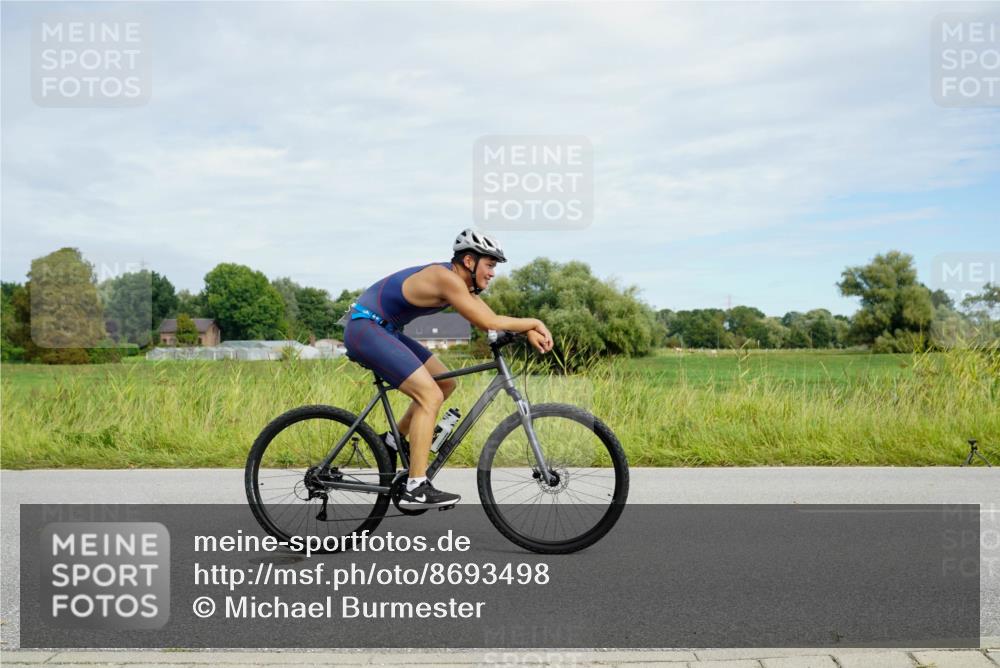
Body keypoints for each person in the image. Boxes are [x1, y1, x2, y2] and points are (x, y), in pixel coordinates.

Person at [343, 229, 553, 508]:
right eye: (489, 265)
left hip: (383, 330)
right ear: (469, 261)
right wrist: (534, 322)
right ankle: (416, 487)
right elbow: (487, 320)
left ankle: (393, 442)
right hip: (365, 329)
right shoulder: (446, 279)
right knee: (429, 395)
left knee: (444, 383)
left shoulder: (460, 286)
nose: (492, 273)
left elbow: (491, 319)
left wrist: (525, 331)